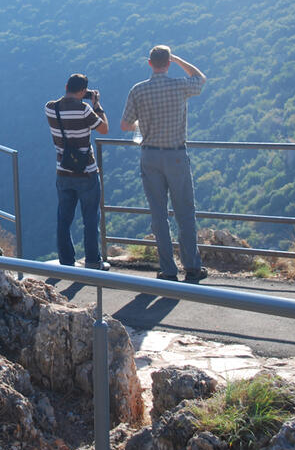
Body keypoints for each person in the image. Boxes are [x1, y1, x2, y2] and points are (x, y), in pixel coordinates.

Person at [120, 45, 207, 283]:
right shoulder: (179, 85)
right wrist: (179, 59)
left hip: (150, 156)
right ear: (168, 63)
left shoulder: (138, 90)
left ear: (149, 63)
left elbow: (125, 125)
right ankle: (191, 267)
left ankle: (168, 270)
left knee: (159, 215)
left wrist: (145, 124)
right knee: (185, 213)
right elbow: (200, 78)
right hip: (176, 155)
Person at [45, 73, 110, 269]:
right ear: (83, 91)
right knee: (90, 218)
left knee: (63, 218)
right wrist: (97, 104)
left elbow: (60, 103)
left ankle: (66, 261)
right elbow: (104, 128)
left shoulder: (50, 108)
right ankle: (92, 261)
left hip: (63, 171)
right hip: (87, 172)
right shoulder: (85, 110)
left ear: (66, 86)